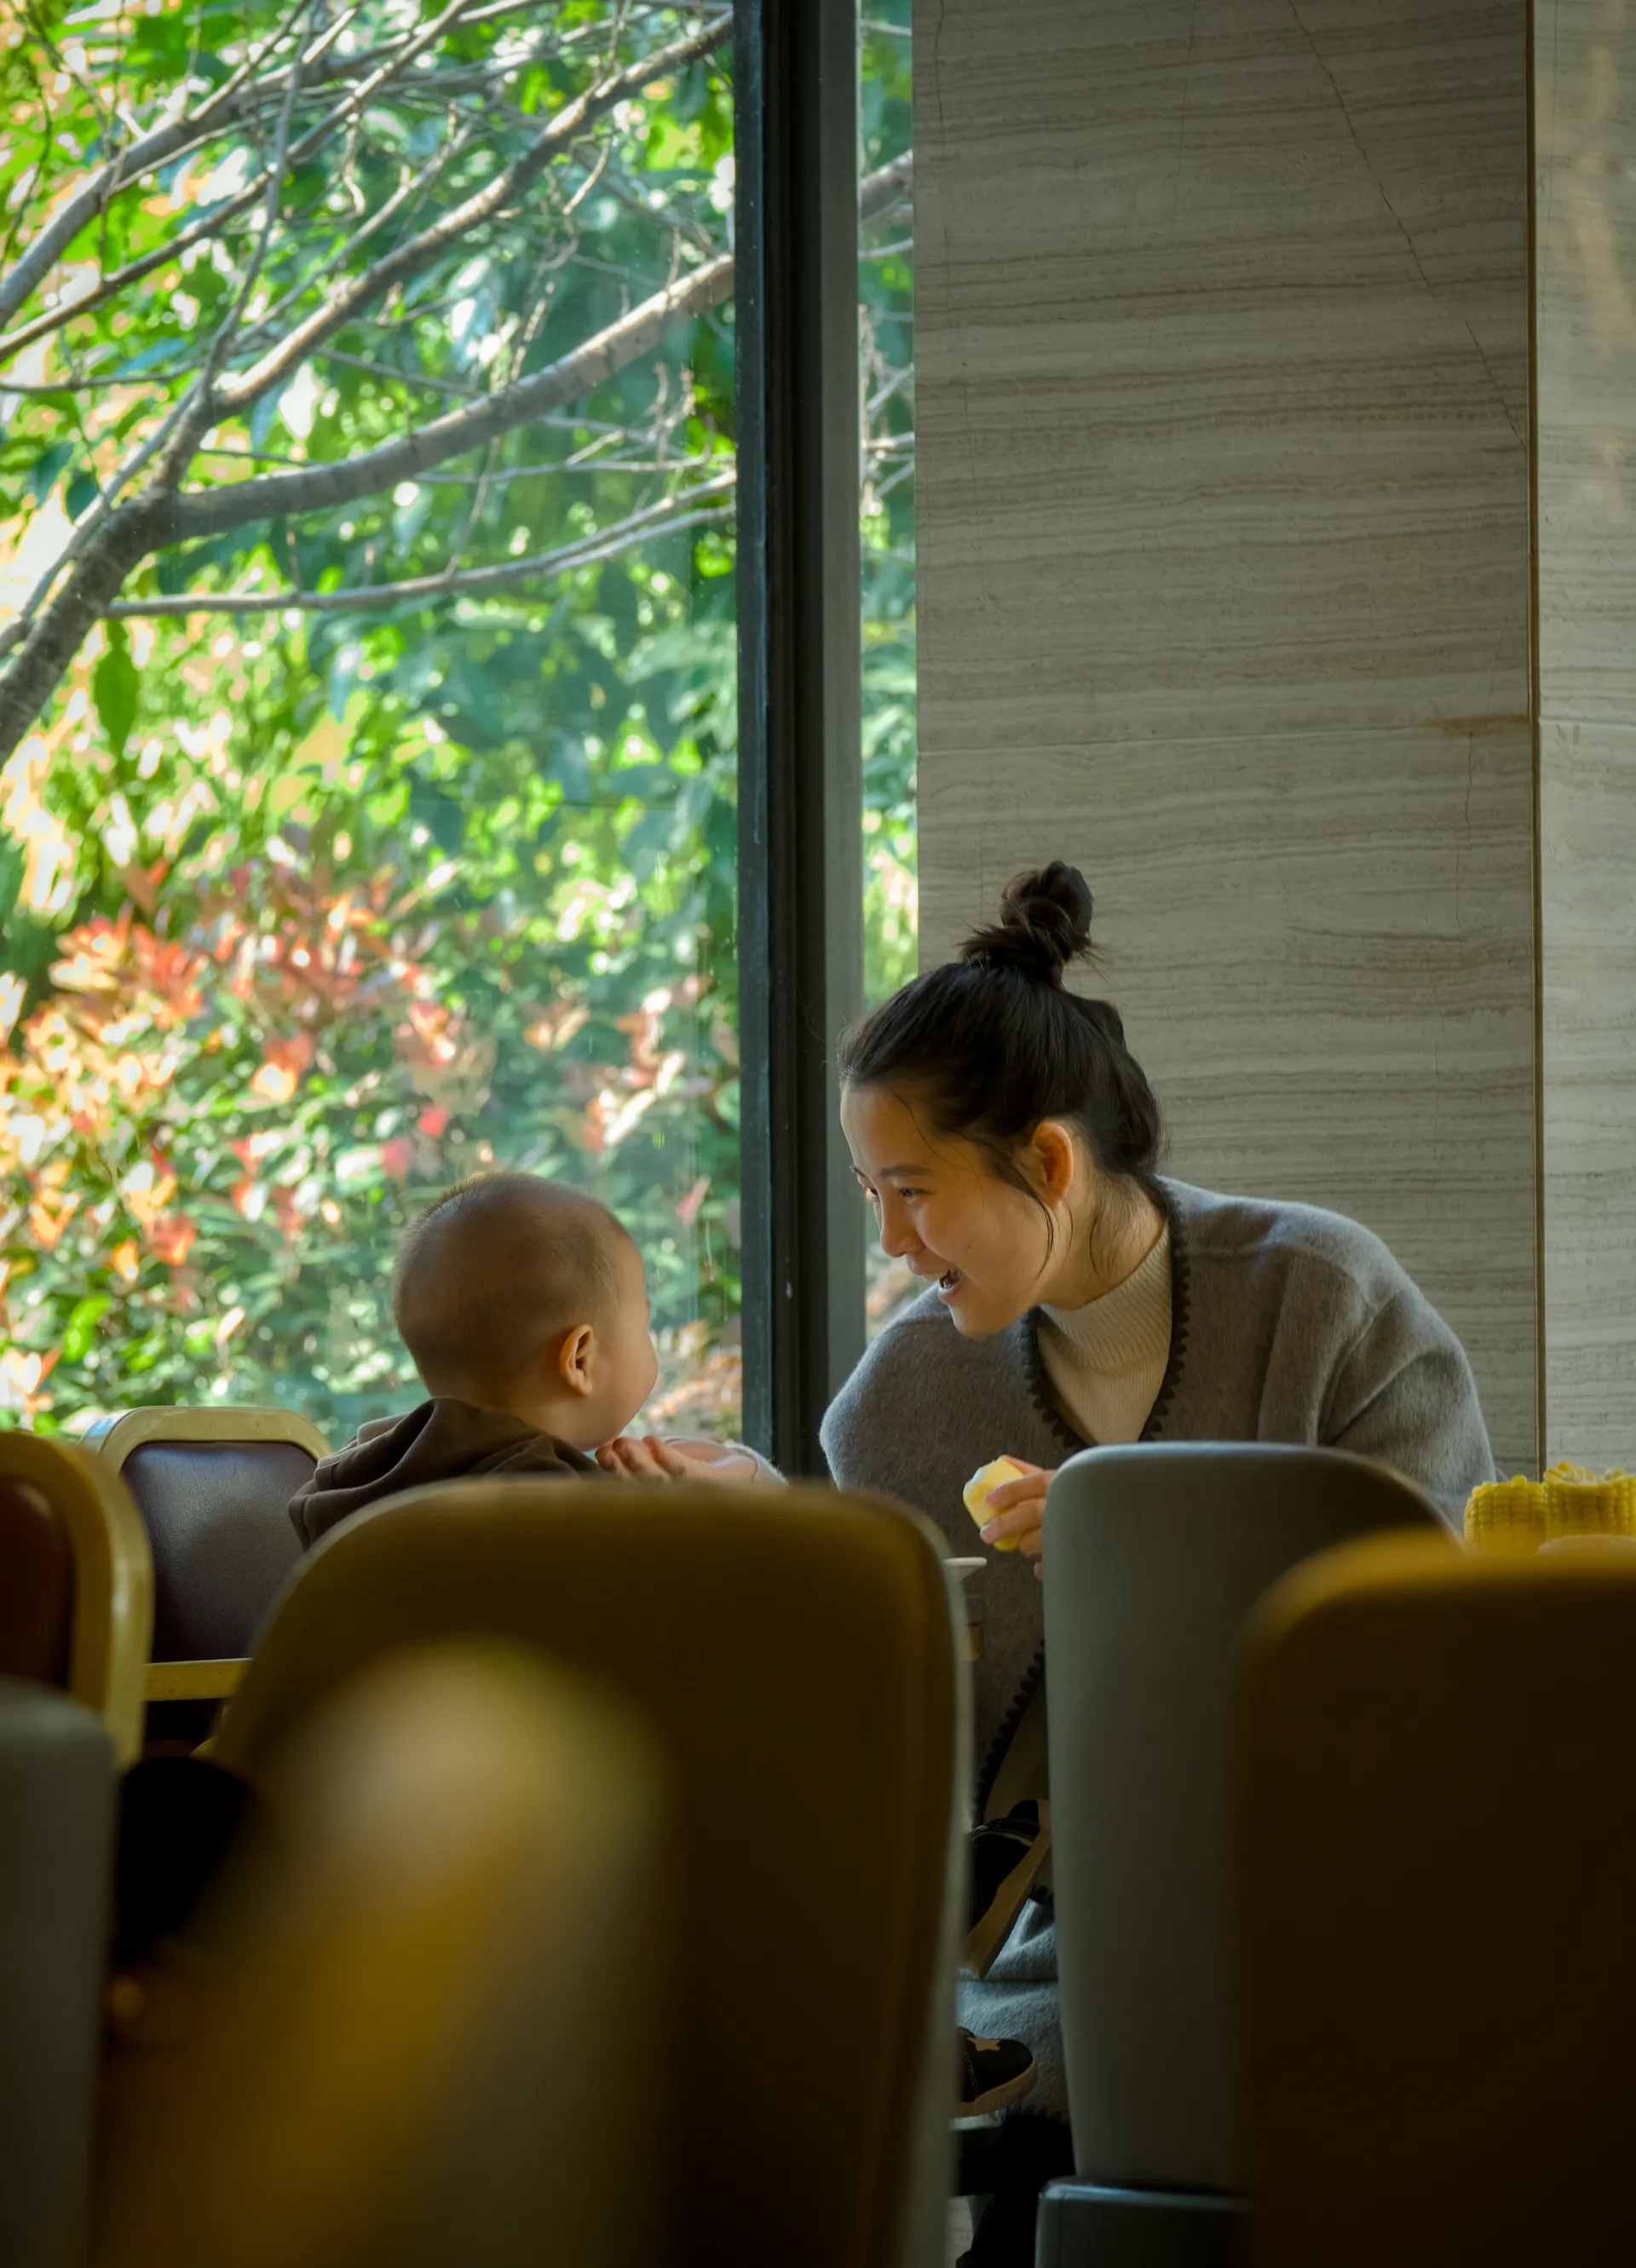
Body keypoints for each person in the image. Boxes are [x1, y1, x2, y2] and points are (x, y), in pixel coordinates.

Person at [821, 862, 1495, 2264]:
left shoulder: (1325, 1301)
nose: (888, 1244)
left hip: (1360, 1909)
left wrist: (1153, 1555)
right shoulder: (893, 1411)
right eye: (867, 1196)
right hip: (1061, 1964)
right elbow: (903, 1784)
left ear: (1049, 1162)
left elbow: (1445, 1666)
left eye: (912, 1192)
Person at [289, 1171, 777, 1546]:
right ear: (579, 1360)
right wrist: (726, 1496)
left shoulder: (364, 1484)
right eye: (643, 1324)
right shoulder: (567, 1518)